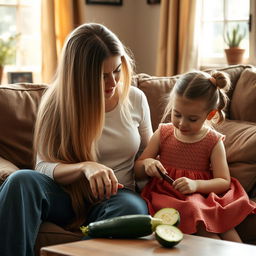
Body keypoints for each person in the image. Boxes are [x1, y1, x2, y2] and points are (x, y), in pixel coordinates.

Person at [0, 23, 152, 256]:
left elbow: (147, 156)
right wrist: (84, 168)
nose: (112, 83)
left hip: (117, 197)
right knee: (21, 181)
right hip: (64, 195)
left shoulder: (136, 99)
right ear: (79, 76)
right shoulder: (55, 103)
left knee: (132, 209)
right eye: (102, 76)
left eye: (117, 70)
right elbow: (42, 167)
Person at [134, 70, 256, 242]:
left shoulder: (212, 141)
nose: (182, 123)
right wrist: (147, 163)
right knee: (202, 222)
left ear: (211, 115)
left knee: (225, 228)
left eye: (192, 119)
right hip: (166, 195)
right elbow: (138, 170)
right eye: (177, 114)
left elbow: (223, 181)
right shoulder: (163, 133)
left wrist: (195, 184)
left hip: (201, 195)